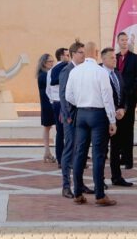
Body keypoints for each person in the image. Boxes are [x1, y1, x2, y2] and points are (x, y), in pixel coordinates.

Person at [65, 40, 118, 206]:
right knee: (98, 154)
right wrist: (112, 120)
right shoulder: (100, 71)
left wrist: (81, 101)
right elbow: (107, 97)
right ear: (96, 53)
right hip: (98, 114)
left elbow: (69, 96)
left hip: (81, 113)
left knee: (80, 153)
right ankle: (100, 194)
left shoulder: (75, 71)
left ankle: (78, 192)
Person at [59, 41, 88, 199]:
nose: (83, 55)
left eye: (84, 52)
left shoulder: (82, 70)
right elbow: (63, 96)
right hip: (71, 118)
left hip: (81, 116)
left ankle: (79, 183)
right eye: (81, 52)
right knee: (69, 150)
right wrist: (68, 116)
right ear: (73, 54)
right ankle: (66, 185)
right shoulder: (67, 70)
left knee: (80, 151)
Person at [100, 46, 131, 186]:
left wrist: (123, 109)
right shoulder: (100, 74)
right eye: (112, 58)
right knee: (102, 150)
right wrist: (111, 112)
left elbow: (124, 94)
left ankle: (116, 177)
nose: (115, 60)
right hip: (104, 118)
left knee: (116, 149)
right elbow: (101, 97)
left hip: (119, 117)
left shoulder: (117, 74)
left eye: (116, 57)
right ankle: (99, 179)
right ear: (104, 59)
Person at [115, 31, 137, 169]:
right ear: (118, 41)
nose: (124, 42)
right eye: (122, 39)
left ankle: (128, 159)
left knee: (128, 128)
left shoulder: (134, 58)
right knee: (118, 128)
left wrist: (132, 89)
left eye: (126, 40)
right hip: (117, 98)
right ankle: (120, 156)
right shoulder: (114, 57)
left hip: (130, 97)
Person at [47, 47, 70, 166]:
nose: (69, 57)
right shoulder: (64, 68)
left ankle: (61, 159)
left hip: (57, 103)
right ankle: (64, 160)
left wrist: (53, 101)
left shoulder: (52, 70)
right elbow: (49, 88)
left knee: (61, 132)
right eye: (67, 55)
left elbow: (48, 90)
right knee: (65, 132)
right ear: (61, 56)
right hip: (61, 104)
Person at [36, 52, 56, 162]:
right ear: (44, 63)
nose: (52, 63)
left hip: (48, 103)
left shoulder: (46, 74)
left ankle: (47, 152)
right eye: (50, 61)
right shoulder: (44, 75)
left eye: (53, 61)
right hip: (48, 104)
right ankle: (47, 151)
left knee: (48, 127)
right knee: (48, 127)